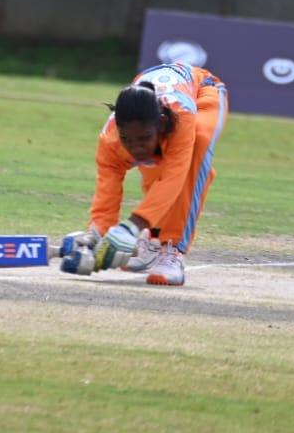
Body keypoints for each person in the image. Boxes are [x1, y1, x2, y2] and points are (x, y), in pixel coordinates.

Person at [63, 62, 228, 287]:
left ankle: (172, 251)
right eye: (127, 139)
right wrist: (97, 233)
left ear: (160, 124)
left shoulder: (180, 120)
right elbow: (107, 190)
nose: (136, 147)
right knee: (153, 162)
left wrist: (131, 226)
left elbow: (174, 179)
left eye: (144, 138)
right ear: (118, 129)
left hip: (204, 91)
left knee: (196, 150)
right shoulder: (110, 141)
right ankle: (153, 238)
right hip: (154, 91)